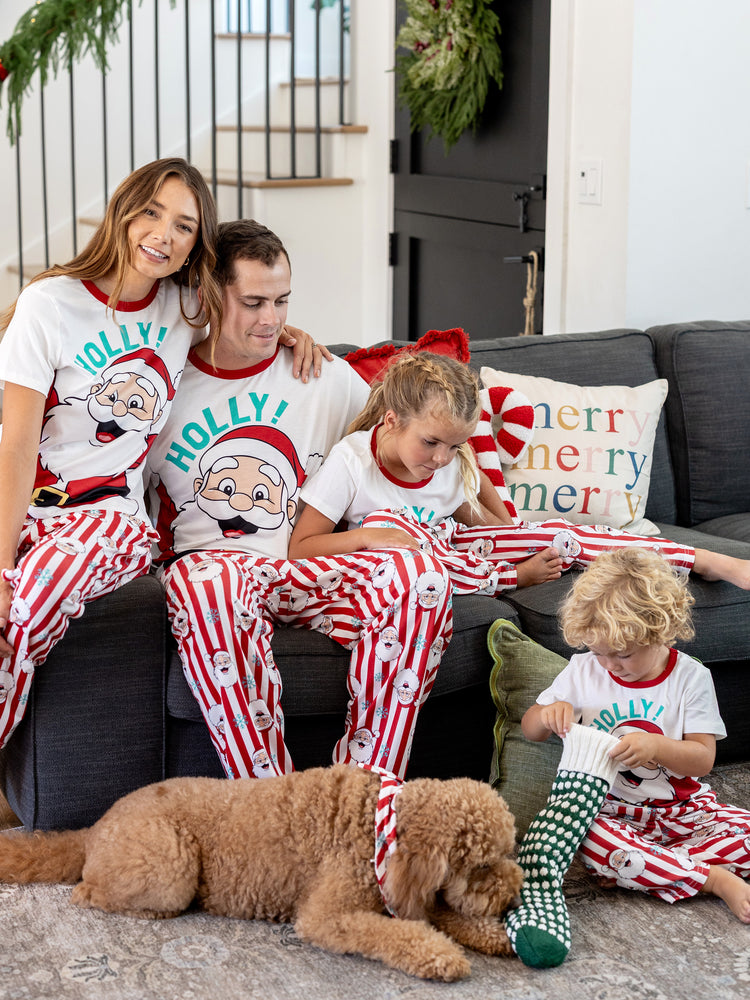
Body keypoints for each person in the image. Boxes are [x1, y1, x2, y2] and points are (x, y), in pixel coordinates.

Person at [0, 157, 316, 752]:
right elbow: (15, 446)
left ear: (196, 244)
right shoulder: (49, 305)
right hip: (28, 502)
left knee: (28, 605)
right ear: (124, 211)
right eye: (152, 212)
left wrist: (290, 333)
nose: (163, 235)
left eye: (184, 226)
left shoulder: (185, 307)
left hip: (108, 519)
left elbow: (248, 320)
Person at [146, 219, 454, 782]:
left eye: (282, 301)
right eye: (254, 302)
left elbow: (406, 437)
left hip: (308, 567)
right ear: (210, 294)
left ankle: (360, 793)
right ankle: (272, 800)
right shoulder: (163, 385)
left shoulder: (322, 374)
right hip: (214, 569)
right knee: (212, 587)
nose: (271, 320)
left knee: (420, 577)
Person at [289, 351, 750, 595]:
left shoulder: (448, 464)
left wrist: (516, 536)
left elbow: (481, 511)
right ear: (391, 420)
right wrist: (370, 538)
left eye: (455, 445)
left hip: (457, 549)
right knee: (388, 523)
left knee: (557, 535)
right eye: (431, 442)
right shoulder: (352, 461)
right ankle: (507, 579)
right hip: (400, 567)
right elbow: (301, 547)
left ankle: (700, 559)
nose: (442, 458)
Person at [521, 547, 750, 924]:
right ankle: (711, 879)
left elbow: (703, 759)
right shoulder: (583, 671)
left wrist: (657, 747)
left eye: (623, 654)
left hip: (685, 812)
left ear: (660, 632)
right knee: (591, 839)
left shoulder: (690, 678)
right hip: (608, 813)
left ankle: (644, 869)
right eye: (599, 652)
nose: (610, 664)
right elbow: (530, 729)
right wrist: (547, 715)